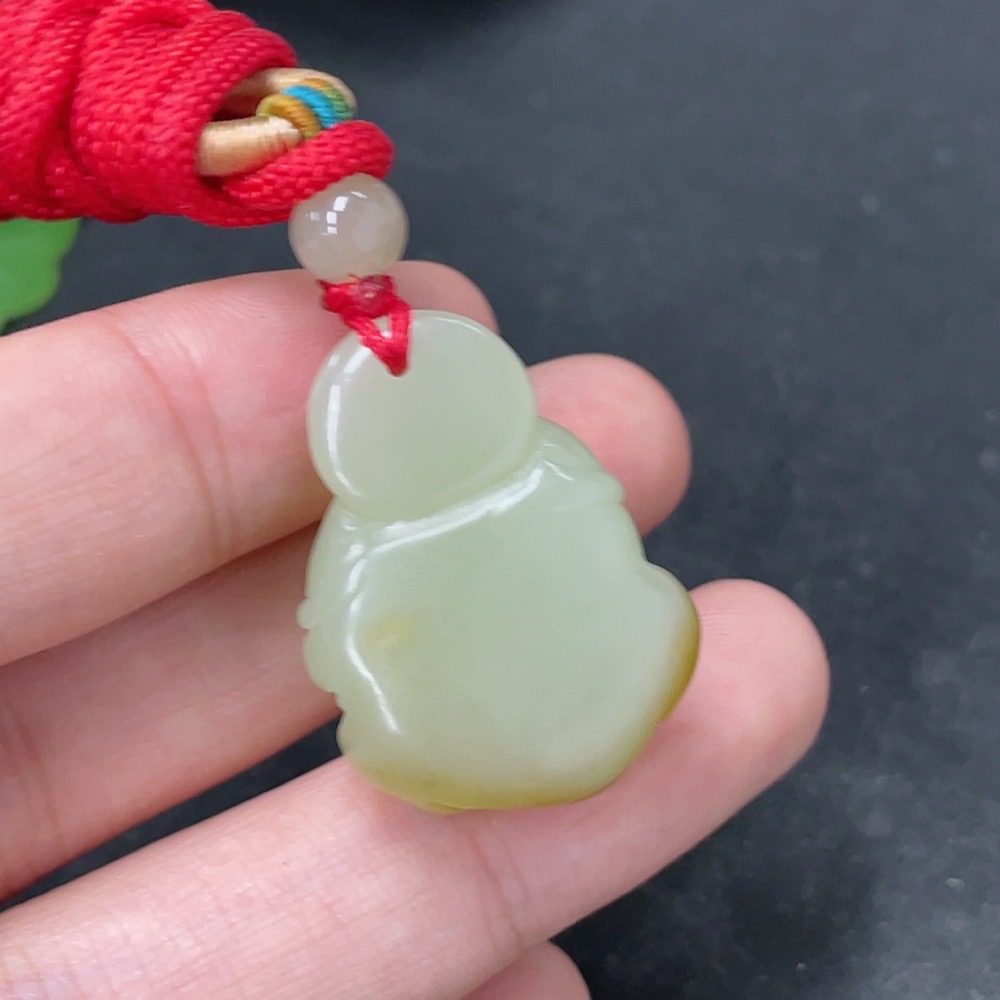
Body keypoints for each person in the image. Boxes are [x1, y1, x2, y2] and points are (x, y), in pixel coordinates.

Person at [0, 262, 829, 998]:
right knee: (421, 724)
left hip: (596, 667)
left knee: (643, 621)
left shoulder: (538, 469)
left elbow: (591, 543)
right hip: (489, 709)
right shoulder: (382, 533)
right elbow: (349, 640)